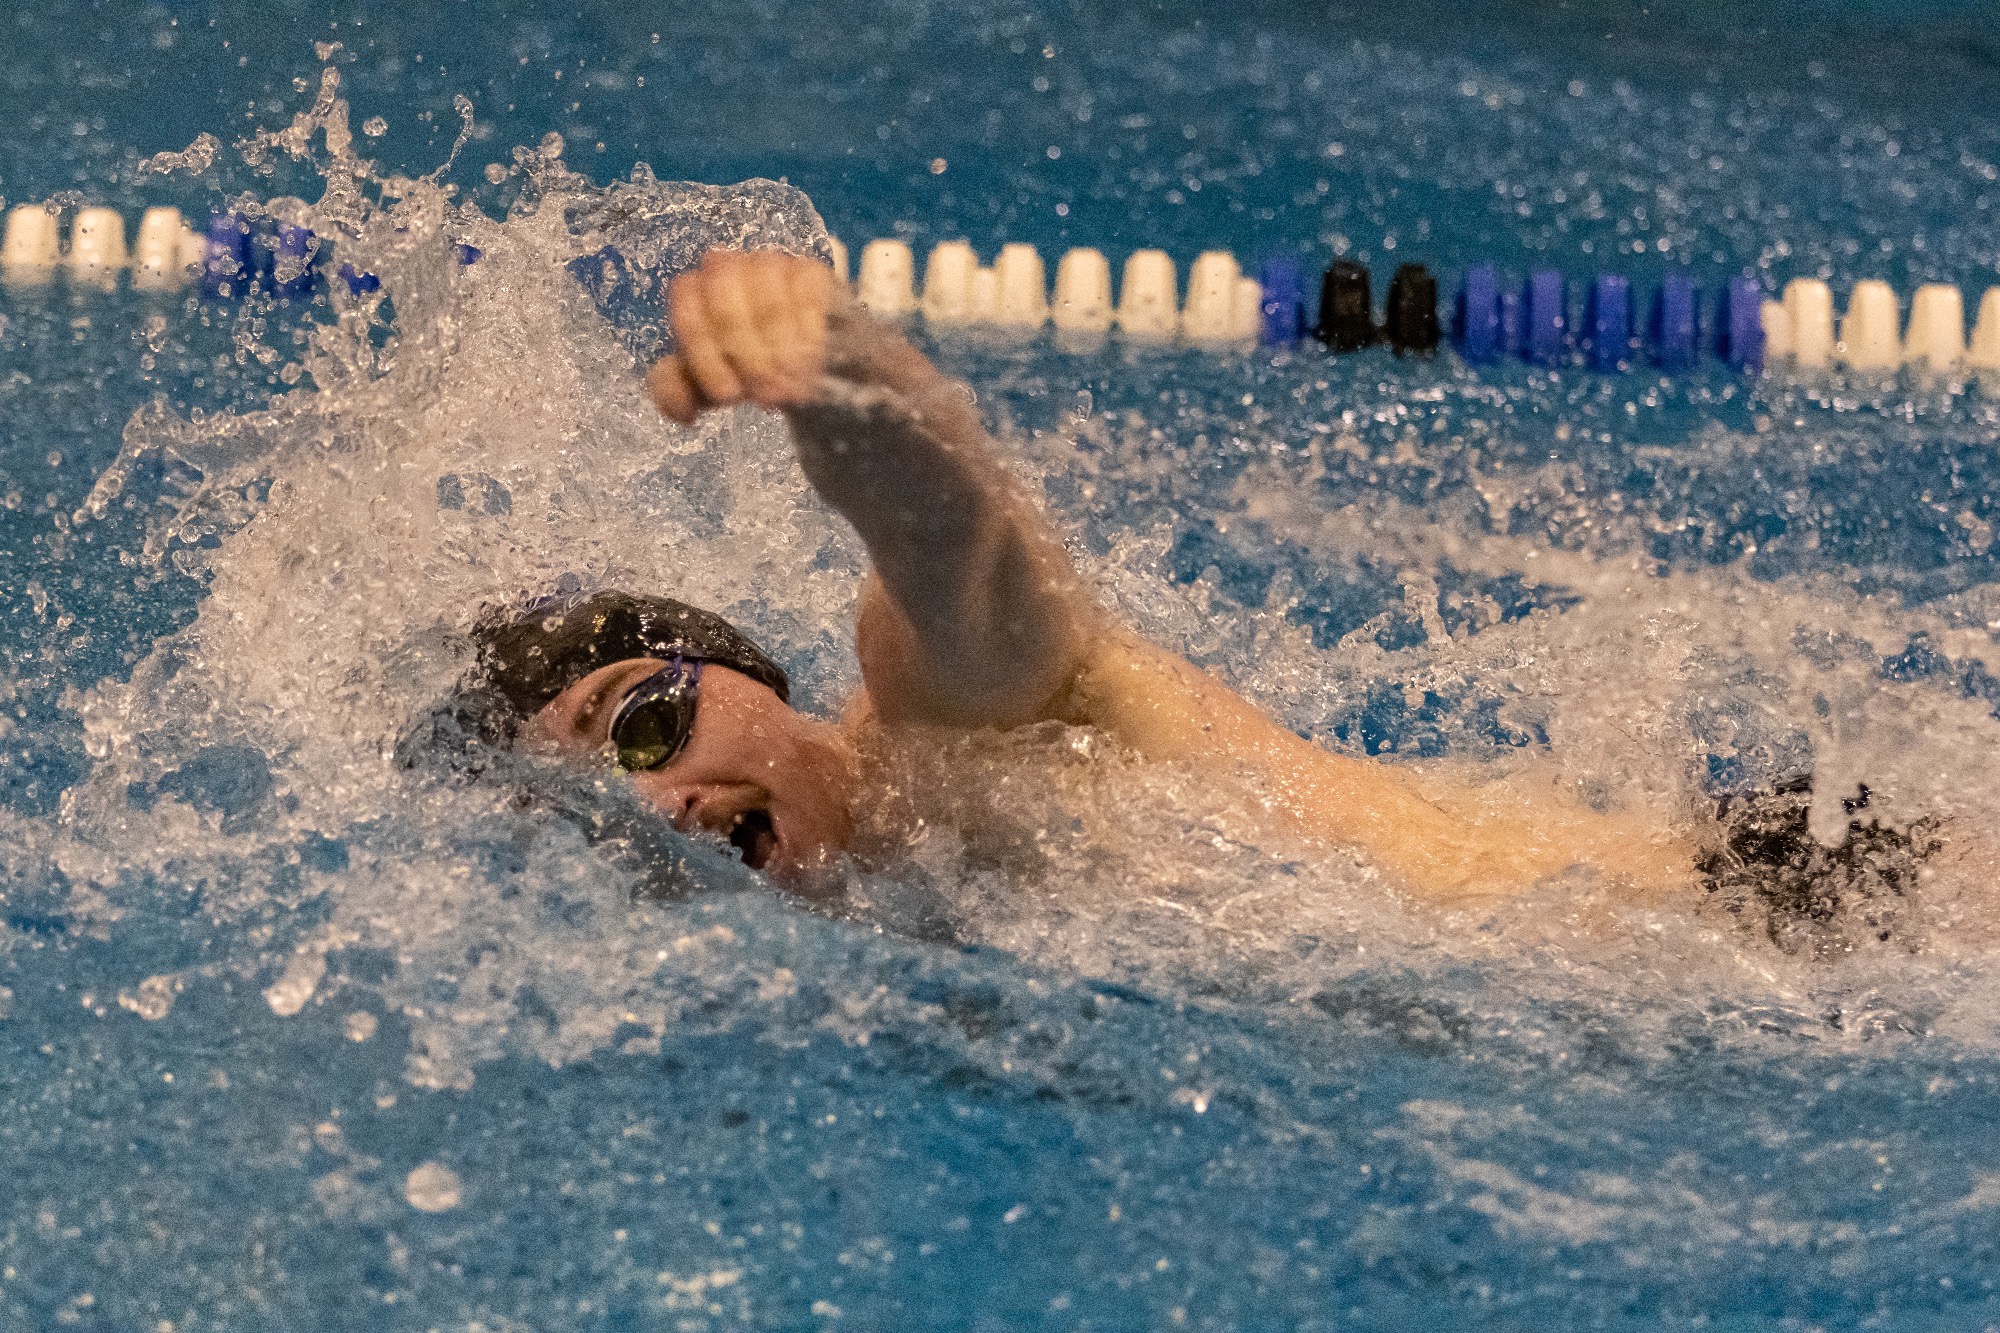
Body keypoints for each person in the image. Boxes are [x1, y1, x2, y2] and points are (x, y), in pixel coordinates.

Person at [447, 247, 1701, 907]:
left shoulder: (940, 720)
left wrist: (838, 367)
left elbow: (957, 537)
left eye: (643, 723)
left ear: (745, 675)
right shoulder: (900, 910)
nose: (655, 807)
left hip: (1783, 925)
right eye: (593, 817)